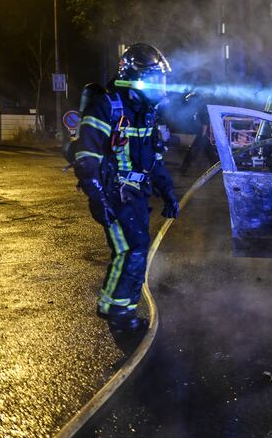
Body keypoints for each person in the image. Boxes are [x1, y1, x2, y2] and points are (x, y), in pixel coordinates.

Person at [73, 43, 179, 331]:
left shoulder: (145, 111)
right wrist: (98, 198)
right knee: (131, 249)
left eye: (160, 78)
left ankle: (123, 308)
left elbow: (152, 159)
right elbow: (86, 157)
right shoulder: (107, 105)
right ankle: (117, 313)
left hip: (136, 194)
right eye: (153, 78)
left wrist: (168, 192)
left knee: (137, 249)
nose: (159, 85)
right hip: (114, 192)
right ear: (133, 76)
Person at [179, 94, 217, 175]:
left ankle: (184, 168)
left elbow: (205, 122)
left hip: (203, 134)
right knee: (208, 151)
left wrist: (203, 133)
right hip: (203, 134)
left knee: (195, 151)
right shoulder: (204, 107)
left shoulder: (203, 108)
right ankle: (216, 167)